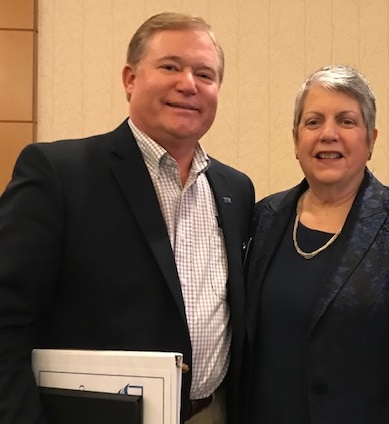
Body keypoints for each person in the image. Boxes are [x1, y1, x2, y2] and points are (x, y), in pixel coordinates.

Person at [0, 12, 254, 424]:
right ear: (130, 78)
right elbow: (7, 316)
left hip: (212, 413)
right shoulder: (59, 174)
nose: (188, 84)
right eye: (170, 66)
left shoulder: (236, 190)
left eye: (205, 74)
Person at [242, 64, 389, 424]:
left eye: (346, 121)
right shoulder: (263, 217)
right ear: (296, 140)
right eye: (313, 122)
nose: (328, 134)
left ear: (371, 140)